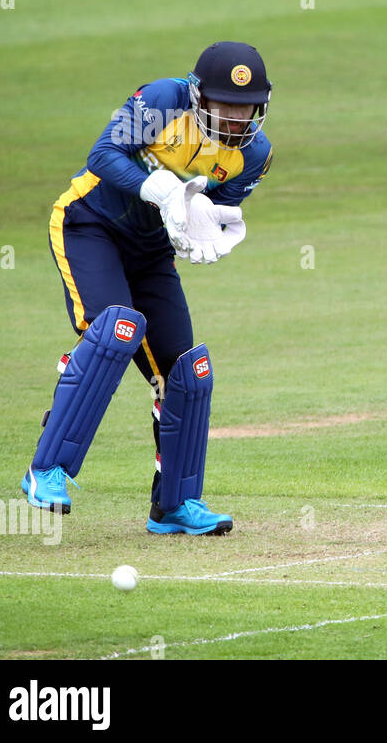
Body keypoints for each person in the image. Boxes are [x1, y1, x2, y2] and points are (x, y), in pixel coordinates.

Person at [22, 41, 274, 535]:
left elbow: (199, 211)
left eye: (246, 108)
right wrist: (153, 186)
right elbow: (103, 155)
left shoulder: (254, 156)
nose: (235, 119)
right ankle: (47, 469)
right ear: (199, 96)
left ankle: (175, 505)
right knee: (116, 329)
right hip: (89, 224)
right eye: (225, 105)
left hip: (151, 252)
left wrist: (201, 225)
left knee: (188, 371)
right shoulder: (162, 101)